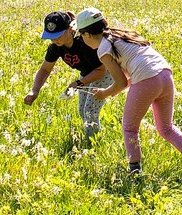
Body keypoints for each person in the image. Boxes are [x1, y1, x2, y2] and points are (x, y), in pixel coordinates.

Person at [73, 7, 182, 183]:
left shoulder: (103, 49)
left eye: (80, 35)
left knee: (129, 128)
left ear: (87, 34)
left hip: (146, 79)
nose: (81, 39)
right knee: (166, 128)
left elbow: (120, 83)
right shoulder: (122, 34)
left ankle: (135, 175)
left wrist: (104, 93)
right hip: (165, 75)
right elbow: (126, 79)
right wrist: (109, 91)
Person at [22, 9, 115, 143]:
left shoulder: (84, 42)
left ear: (70, 29)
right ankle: (92, 139)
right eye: (51, 36)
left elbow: (101, 69)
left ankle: (91, 145)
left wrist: (78, 83)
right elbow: (45, 69)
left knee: (90, 111)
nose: (54, 40)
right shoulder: (56, 47)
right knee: (82, 111)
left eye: (58, 35)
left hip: (106, 73)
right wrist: (35, 90)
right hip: (87, 74)